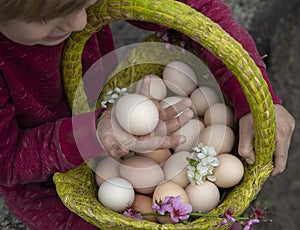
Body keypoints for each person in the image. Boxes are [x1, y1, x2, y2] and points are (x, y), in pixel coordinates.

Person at [0, 0, 295, 229]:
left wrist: (251, 93)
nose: (80, 22)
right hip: (43, 182)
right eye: (44, 18)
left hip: (109, 106)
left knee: (206, 216)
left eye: (85, 3)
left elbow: (194, 12)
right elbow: (7, 158)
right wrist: (94, 135)